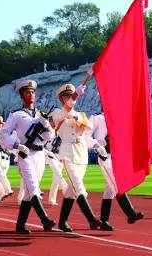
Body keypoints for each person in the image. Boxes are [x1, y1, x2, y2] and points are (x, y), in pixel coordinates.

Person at [0, 79, 56, 234]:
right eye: (27, 92)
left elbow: (50, 136)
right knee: (33, 187)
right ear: (22, 95)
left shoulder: (40, 115)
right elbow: (3, 133)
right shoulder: (16, 115)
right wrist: (17, 146)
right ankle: (45, 220)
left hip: (39, 155)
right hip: (25, 155)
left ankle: (20, 226)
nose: (30, 94)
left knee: (29, 192)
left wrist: (46, 124)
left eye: (32, 92)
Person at [51, 83, 100, 232]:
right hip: (67, 153)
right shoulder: (57, 113)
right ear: (61, 99)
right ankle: (91, 219)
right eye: (66, 97)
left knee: (72, 191)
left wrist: (76, 116)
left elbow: (89, 127)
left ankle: (62, 222)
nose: (69, 99)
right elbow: (58, 119)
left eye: (71, 96)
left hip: (81, 153)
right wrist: (72, 104)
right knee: (78, 186)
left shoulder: (80, 114)